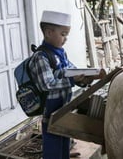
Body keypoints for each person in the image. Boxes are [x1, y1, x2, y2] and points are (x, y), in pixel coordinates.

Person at [29, 10, 93, 159]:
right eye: (63, 34)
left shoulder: (61, 54)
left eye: (67, 35)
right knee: (53, 145)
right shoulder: (40, 57)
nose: (66, 39)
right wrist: (72, 80)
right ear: (49, 32)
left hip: (63, 107)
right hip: (50, 109)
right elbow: (47, 84)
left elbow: (72, 71)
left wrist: (84, 78)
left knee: (64, 139)